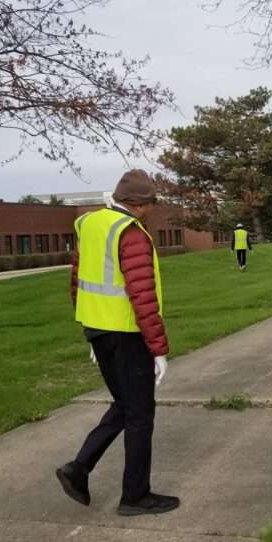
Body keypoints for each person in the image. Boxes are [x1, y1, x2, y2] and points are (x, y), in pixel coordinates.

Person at [56, 170, 179, 517]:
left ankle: (78, 469)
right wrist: (158, 349)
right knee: (140, 413)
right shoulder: (131, 233)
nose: (153, 209)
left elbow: (77, 279)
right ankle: (135, 496)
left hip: (98, 329)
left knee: (124, 405)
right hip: (127, 334)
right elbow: (142, 295)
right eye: (152, 203)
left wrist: (90, 328)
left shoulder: (90, 224)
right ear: (138, 204)